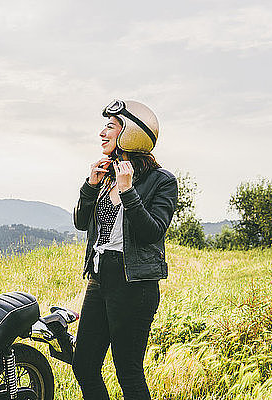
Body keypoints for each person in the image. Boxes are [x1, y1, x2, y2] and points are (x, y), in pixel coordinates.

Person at [72, 100, 178, 399]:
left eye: (110, 126)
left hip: (134, 284)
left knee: (127, 371)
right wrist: (90, 186)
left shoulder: (162, 181)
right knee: (84, 366)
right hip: (100, 278)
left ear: (130, 132)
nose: (102, 133)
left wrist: (129, 190)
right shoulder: (105, 176)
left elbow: (152, 231)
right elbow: (82, 223)